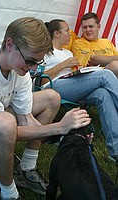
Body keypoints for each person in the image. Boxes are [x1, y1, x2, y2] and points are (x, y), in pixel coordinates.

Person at [0, 17, 91, 200]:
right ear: (9, 45)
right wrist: (58, 127)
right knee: (5, 123)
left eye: (38, 62)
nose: (33, 68)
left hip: (0, 115)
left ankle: (26, 167)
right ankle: (8, 193)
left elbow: (26, 120)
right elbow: (9, 130)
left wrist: (68, 137)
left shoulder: (21, 69)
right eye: (30, 61)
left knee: (51, 97)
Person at [43, 19, 118, 165]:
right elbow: (40, 81)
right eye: (66, 30)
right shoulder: (45, 52)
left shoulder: (68, 51)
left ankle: (115, 152)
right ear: (57, 33)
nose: (70, 33)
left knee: (103, 94)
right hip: (54, 88)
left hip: (73, 85)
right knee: (106, 75)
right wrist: (64, 64)